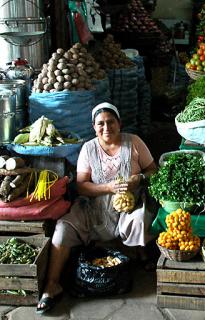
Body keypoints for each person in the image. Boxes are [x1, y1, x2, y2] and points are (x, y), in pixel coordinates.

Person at [36, 102, 158, 314]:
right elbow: (82, 186)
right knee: (63, 229)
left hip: (129, 205)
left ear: (119, 123)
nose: (106, 127)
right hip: (94, 207)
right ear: (94, 127)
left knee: (139, 220)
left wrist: (137, 179)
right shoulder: (88, 148)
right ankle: (52, 285)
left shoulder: (134, 142)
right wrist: (107, 188)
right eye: (100, 123)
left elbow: (153, 171)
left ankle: (140, 251)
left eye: (111, 122)